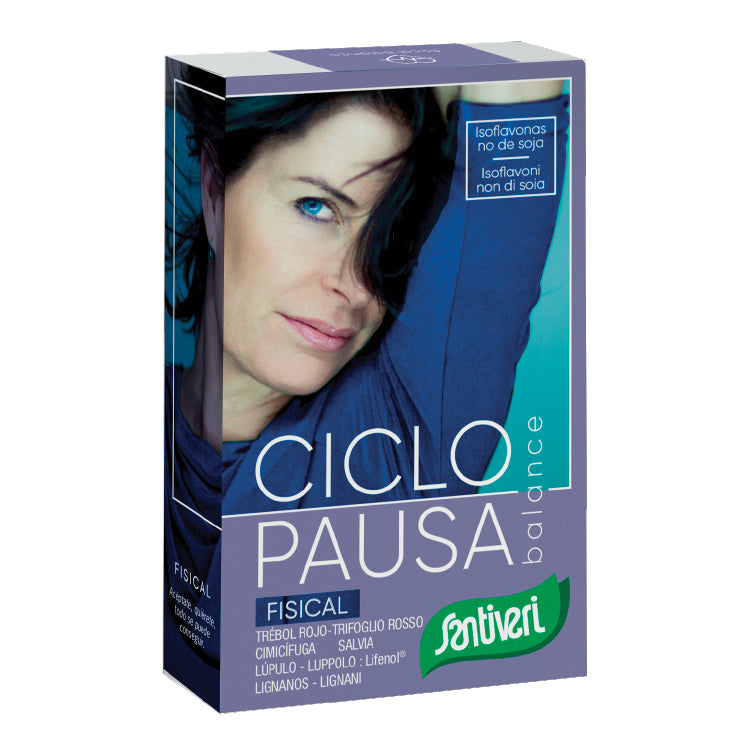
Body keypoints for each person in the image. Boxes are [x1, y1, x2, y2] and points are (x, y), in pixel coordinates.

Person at [164, 75, 568, 705]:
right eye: (316, 207)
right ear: (215, 191)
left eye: (388, 235)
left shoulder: (394, 447)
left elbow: (514, 102)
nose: (352, 282)